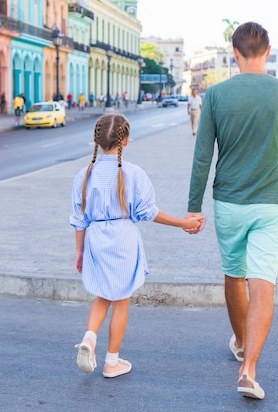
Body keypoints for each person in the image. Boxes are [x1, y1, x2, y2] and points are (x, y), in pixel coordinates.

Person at [185, 22, 278, 400]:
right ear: (269, 50)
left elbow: (202, 157)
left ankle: (241, 342)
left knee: (234, 276)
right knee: (262, 286)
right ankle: (248, 370)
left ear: (234, 51)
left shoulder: (215, 95)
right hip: (272, 205)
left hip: (229, 203)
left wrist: (194, 207)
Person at [70, 113, 203, 379]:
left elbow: (79, 219)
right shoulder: (133, 174)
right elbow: (149, 213)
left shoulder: (83, 176)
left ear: (96, 140)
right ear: (126, 141)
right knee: (120, 301)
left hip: (96, 238)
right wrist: (182, 223)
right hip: (123, 240)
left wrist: (80, 252)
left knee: (102, 296)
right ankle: (111, 361)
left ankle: (89, 337)